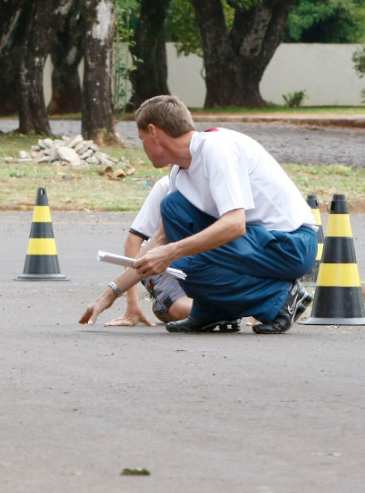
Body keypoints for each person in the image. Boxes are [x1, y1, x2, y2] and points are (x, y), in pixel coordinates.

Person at [80, 95, 317, 334]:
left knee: (179, 255)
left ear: (154, 132)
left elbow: (235, 225)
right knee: (174, 222)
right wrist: (110, 294)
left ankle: (281, 297)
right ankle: (213, 311)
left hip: (291, 245)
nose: (143, 149)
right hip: (256, 245)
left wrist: (171, 252)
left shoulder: (216, 148)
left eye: (142, 140)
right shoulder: (179, 175)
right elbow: (160, 241)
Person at [94, 175, 193, 327]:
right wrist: (132, 305)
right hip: (163, 261)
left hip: (201, 259)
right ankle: (168, 302)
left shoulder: (221, 183)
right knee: (182, 310)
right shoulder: (166, 185)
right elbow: (134, 240)